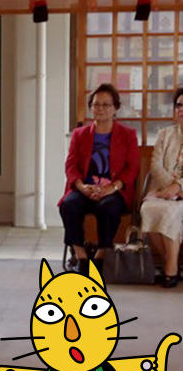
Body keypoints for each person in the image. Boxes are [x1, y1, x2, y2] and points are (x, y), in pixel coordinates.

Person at [59, 83, 140, 275]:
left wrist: (111, 188)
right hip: (84, 189)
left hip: (114, 191)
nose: (100, 109)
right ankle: (81, 256)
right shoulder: (80, 135)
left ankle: (101, 255)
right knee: (68, 205)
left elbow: (133, 167)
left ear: (115, 108)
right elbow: (70, 165)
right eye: (96, 105)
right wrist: (81, 186)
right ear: (91, 107)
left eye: (106, 105)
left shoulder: (128, 135)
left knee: (109, 207)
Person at [140, 87, 183, 288]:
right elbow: (155, 165)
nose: (182, 109)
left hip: (179, 194)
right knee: (148, 209)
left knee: (169, 213)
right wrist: (168, 188)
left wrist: (178, 187)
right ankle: (171, 262)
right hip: (163, 192)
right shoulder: (165, 134)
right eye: (179, 105)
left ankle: (171, 269)